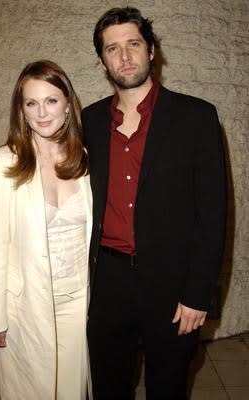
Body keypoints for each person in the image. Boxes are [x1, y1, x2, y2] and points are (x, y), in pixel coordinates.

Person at [82, 7, 227, 400]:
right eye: (113, 49)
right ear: (102, 63)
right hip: (107, 282)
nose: (124, 56)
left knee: (169, 387)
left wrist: (199, 293)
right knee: (108, 387)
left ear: (151, 52)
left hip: (173, 283)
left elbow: (213, 215)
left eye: (133, 44)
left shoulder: (197, 117)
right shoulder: (89, 122)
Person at [0, 60, 92, 400]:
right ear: (21, 110)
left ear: (67, 104)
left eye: (51, 100)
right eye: (31, 103)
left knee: (70, 390)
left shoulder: (84, 160)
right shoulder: (5, 162)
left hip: (77, 303)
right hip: (26, 306)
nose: (42, 113)